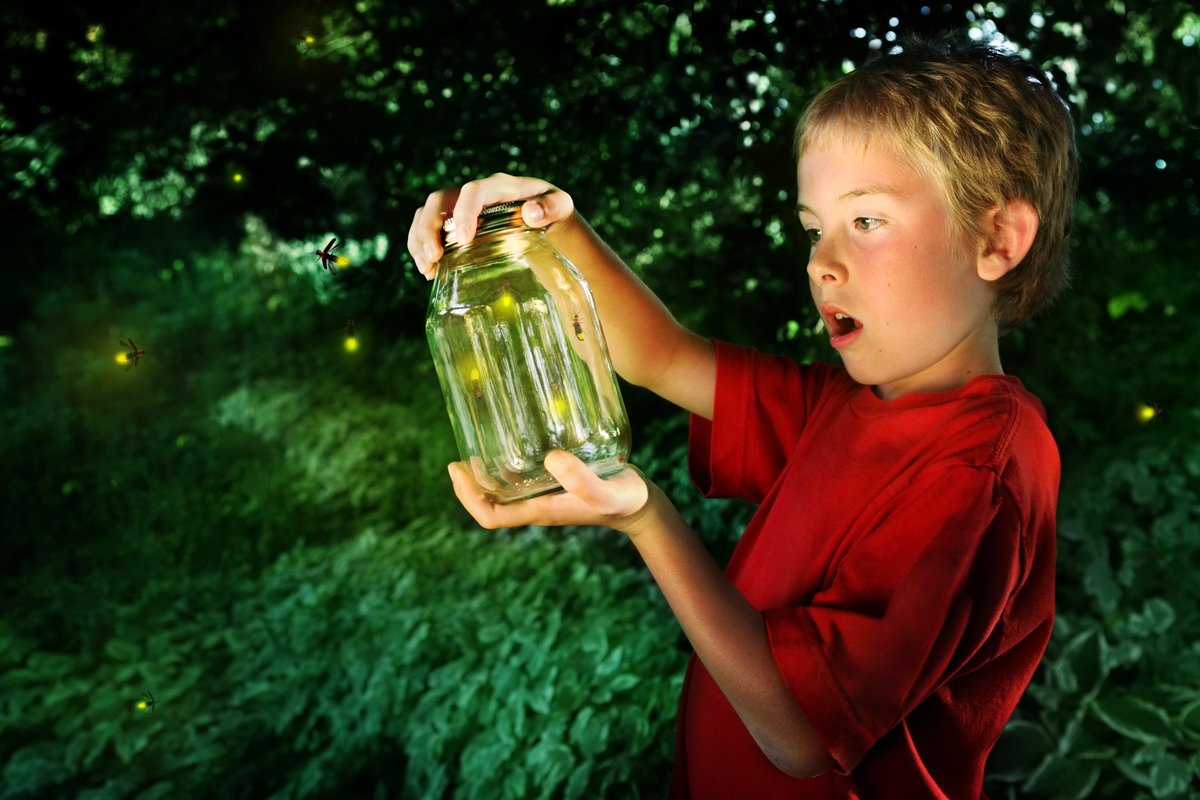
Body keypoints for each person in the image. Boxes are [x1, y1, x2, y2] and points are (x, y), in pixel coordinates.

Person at [407, 32, 1076, 800]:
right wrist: (542, 220)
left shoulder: (983, 469)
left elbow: (797, 732)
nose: (819, 261)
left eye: (866, 222)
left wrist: (646, 518)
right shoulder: (842, 408)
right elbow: (660, 354)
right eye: (812, 227)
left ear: (996, 239)